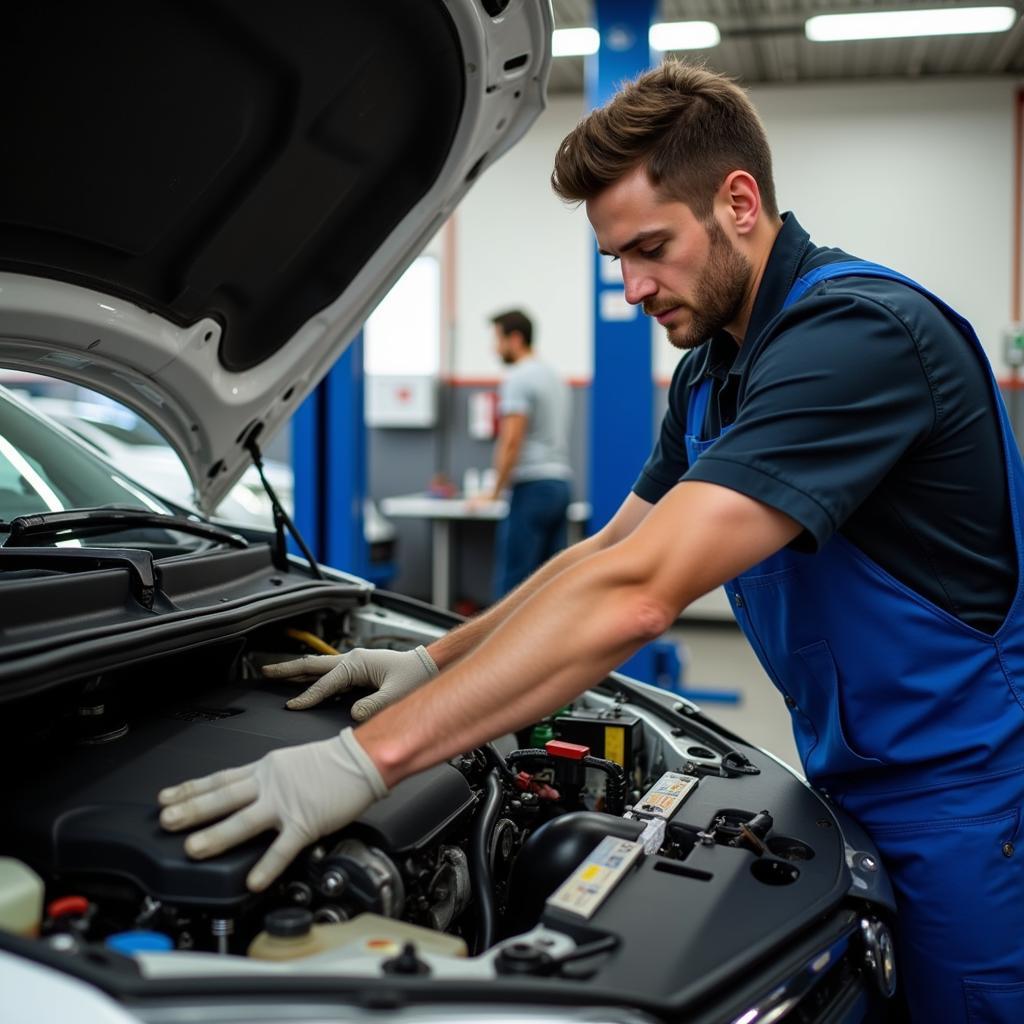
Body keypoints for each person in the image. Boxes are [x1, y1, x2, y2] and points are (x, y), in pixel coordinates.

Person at [158, 60, 1024, 1019]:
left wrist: (363, 764)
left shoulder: (857, 335)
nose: (632, 288)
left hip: (972, 802)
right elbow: (609, 551)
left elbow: (640, 594)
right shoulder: (713, 371)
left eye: (651, 247)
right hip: (853, 776)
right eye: (616, 258)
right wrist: (432, 661)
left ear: (739, 201)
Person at [477, 309, 572, 599]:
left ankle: (503, 646)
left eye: (498, 340)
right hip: (559, 485)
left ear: (515, 339)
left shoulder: (518, 378)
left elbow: (511, 441)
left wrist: (494, 491)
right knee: (549, 585)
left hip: (531, 488)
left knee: (514, 587)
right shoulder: (553, 376)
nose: (494, 349)